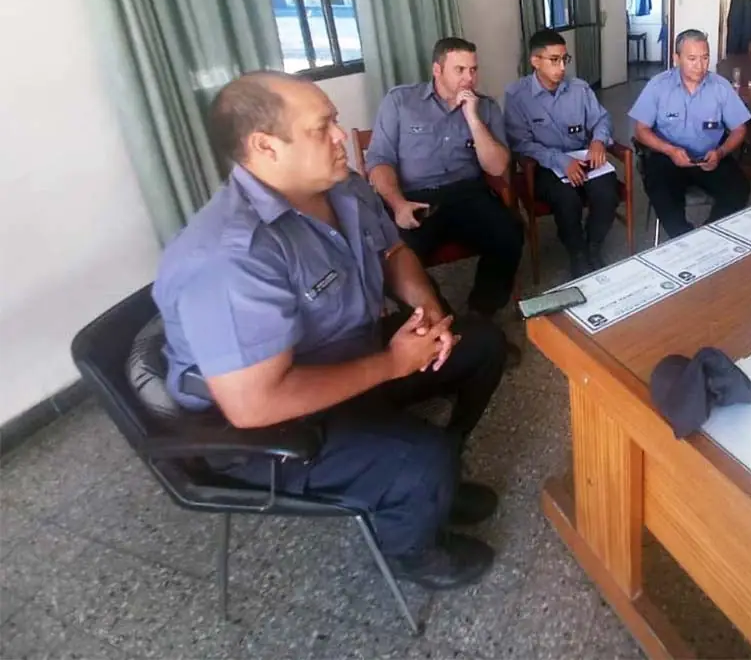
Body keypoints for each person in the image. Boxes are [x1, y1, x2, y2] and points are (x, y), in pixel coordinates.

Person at [153, 72, 508, 590]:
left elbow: (392, 251)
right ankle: (413, 549)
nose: (342, 136)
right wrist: (392, 364)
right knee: (421, 454)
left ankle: (437, 480)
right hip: (264, 424)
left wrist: (428, 309)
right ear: (265, 147)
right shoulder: (230, 256)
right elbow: (255, 404)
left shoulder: (342, 185)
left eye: (335, 121)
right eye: (322, 128)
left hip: (345, 351)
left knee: (483, 345)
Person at [365, 37, 524, 330]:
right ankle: (444, 323)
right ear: (437, 70)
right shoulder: (400, 101)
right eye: (460, 70)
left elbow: (497, 166)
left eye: (473, 70)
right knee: (396, 257)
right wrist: (397, 204)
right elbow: (378, 160)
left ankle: (481, 313)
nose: (469, 78)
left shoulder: (485, 106)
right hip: (414, 197)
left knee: (510, 233)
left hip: (467, 193)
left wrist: (473, 118)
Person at [505, 29, 618, 278]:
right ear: (535, 61)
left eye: (564, 59)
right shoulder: (517, 95)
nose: (562, 67)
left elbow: (602, 118)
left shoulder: (579, 89)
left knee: (607, 193)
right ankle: (577, 253)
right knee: (567, 199)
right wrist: (559, 160)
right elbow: (520, 143)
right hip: (545, 165)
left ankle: (593, 245)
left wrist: (598, 140)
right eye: (554, 60)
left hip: (583, 156)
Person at [629, 29, 751, 238]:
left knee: (739, 188)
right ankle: (684, 239)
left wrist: (721, 153)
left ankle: (705, 238)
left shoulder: (720, 87)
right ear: (676, 58)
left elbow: (740, 129)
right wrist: (670, 150)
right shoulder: (658, 85)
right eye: (692, 59)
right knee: (662, 191)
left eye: (705, 58)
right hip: (668, 157)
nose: (700, 66)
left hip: (710, 156)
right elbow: (640, 130)